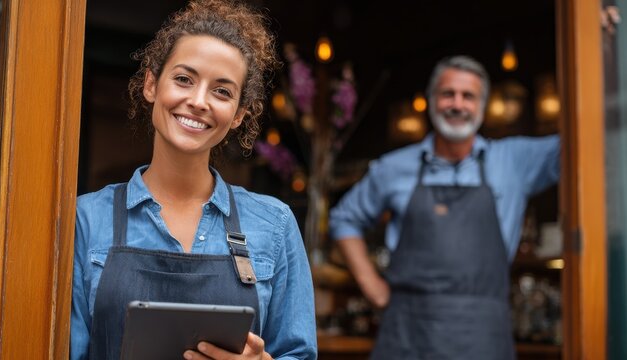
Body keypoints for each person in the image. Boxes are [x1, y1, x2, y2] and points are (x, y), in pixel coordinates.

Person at [70, 1, 317, 359]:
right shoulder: (88, 219)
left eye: (222, 91)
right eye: (184, 79)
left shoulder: (274, 225)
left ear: (238, 115)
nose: (199, 101)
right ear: (152, 84)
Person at [328, 55, 560, 359]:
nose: (458, 104)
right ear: (432, 99)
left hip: (484, 337)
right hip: (407, 336)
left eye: (468, 96)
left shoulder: (513, 161)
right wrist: (372, 286)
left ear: (482, 104)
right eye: (448, 94)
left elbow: (581, 139)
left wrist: (605, 38)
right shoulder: (394, 167)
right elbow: (344, 219)